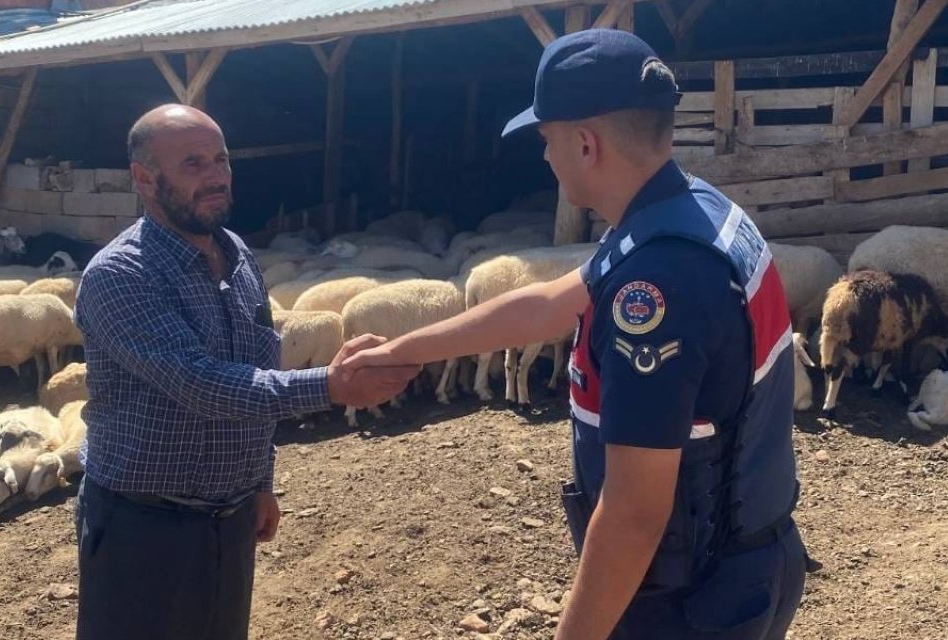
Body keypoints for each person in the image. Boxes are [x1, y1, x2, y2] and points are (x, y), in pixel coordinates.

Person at [340, 29, 806, 640]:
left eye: (546, 140)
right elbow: (545, 307)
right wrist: (402, 350)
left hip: (690, 601)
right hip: (748, 558)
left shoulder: (658, 285)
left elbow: (635, 514)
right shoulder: (689, 214)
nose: (545, 158)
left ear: (585, 144)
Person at [71, 104, 420, 640]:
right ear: (144, 178)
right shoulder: (120, 275)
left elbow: (258, 363)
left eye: (221, 159)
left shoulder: (236, 255)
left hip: (228, 519)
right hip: (143, 526)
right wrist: (329, 384)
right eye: (193, 164)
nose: (216, 177)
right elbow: (199, 382)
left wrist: (259, 482)